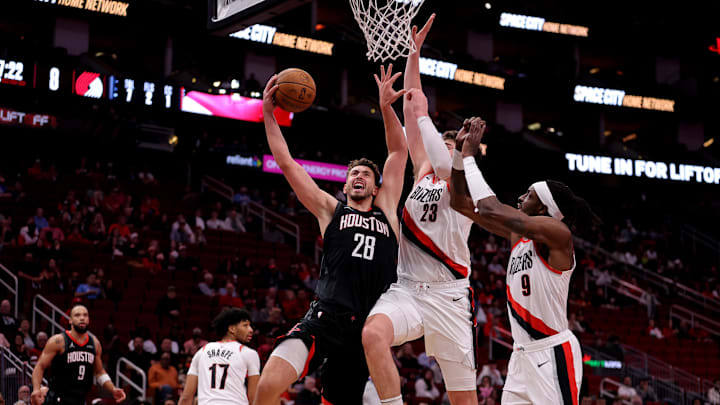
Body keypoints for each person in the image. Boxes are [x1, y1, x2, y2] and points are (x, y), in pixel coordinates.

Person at [254, 64, 406, 405]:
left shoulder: (387, 211)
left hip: (366, 332)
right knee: (267, 386)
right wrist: (267, 111)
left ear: (376, 185)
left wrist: (385, 108)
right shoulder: (330, 210)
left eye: (366, 174)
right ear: (345, 182)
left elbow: (398, 152)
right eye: (353, 173)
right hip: (326, 317)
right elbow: (288, 162)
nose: (359, 177)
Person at [362, 15, 478, 405]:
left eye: (449, 146)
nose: (440, 148)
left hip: (450, 297)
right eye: (439, 144)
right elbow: (414, 108)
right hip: (409, 289)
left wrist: (444, 143)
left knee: (465, 401)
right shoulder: (423, 170)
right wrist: (414, 54)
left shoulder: (464, 182)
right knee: (372, 334)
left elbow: (425, 124)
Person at [448, 116, 601, 405]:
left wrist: (470, 158)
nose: (520, 198)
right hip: (520, 356)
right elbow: (459, 203)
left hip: (552, 352)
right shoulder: (516, 236)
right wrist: (458, 154)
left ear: (544, 205)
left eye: (528, 194)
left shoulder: (557, 233)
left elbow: (490, 208)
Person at [30, 304, 126, 405]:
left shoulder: (95, 343)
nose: (82, 318)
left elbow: (99, 372)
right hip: (58, 398)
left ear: (88, 320)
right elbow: (40, 366)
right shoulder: (58, 341)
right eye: (77, 315)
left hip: (80, 399)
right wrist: (36, 389)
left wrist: (112, 389)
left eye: (85, 315)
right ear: (70, 320)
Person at [179, 308, 260, 405]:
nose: (251, 330)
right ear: (232, 329)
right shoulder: (248, 353)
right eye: (245, 325)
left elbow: (186, 397)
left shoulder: (202, 351)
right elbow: (254, 398)